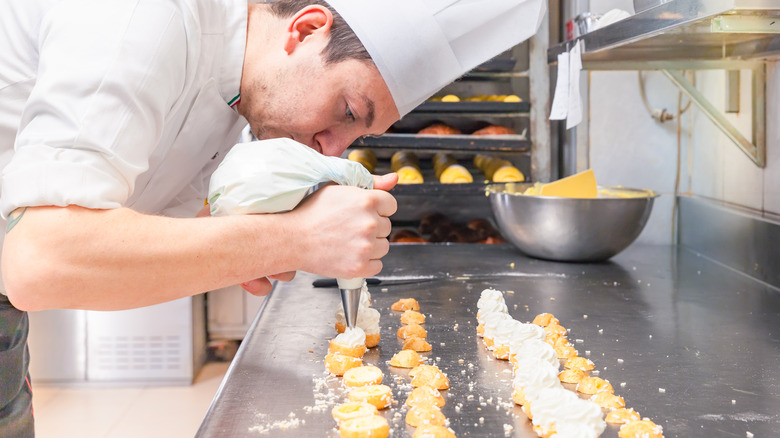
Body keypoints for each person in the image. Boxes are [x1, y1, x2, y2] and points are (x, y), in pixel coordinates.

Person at [0, 0, 546, 436]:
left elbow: (121, 237)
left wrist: (244, 237)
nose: (334, 151)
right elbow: (39, 257)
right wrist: (285, 240)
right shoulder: (143, 16)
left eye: (357, 136)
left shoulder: (240, 92)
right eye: (347, 111)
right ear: (306, 30)